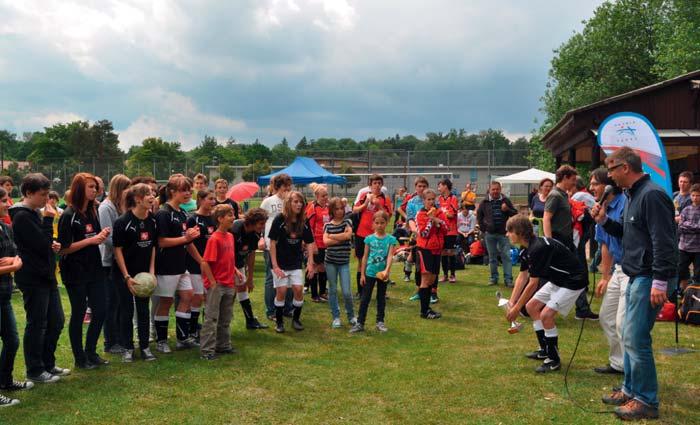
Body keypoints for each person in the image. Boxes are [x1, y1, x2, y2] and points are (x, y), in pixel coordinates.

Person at [593, 147, 677, 421]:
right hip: (636, 273)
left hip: (649, 275)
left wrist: (660, 281)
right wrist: (604, 220)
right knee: (628, 334)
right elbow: (628, 233)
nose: (609, 176)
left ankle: (646, 400)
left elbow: (664, 241)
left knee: (636, 337)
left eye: (612, 169)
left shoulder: (651, 195)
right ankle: (630, 390)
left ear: (626, 168)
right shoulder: (633, 195)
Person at [505, 215, 587, 373]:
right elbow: (522, 276)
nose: (507, 234)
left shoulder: (538, 248)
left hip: (573, 280)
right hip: (559, 280)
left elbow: (532, 283)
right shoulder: (527, 249)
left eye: (510, 231)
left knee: (546, 315)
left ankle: (553, 360)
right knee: (531, 307)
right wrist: (512, 302)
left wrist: (516, 309)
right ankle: (544, 350)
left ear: (520, 232)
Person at [10, 173, 68, 383]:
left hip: (46, 274)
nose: (47, 199)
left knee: (56, 320)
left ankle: (48, 363)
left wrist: (53, 243)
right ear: (28, 193)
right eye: (43, 195)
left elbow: (43, 242)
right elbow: (39, 244)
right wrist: (49, 220)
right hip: (33, 277)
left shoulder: (33, 213)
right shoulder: (21, 216)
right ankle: (35, 369)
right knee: (38, 323)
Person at [57, 173, 111, 369]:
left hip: (94, 268)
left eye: (95, 187)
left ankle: (91, 352)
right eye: (90, 187)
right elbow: (63, 248)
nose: (95, 190)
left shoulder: (92, 212)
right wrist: (91, 240)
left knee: (101, 309)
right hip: (75, 270)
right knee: (79, 313)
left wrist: (101, 235)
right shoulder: (68, 216)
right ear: (80, 189)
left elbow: (93, 236)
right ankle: (80, 359)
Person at [153, 174, 201, 353]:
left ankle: (182, 338)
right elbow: (162, 242)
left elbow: (186, 242)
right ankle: (161, 341)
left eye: (189, 189)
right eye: (184, 190)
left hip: (181, 265)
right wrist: (185, 238)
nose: (188, 193)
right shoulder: (163, 213)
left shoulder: (182, 213)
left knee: (188, 295)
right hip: (167, 265)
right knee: (166, 302)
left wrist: (191, 239)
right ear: (172, 192)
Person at [544, 165, 597, 320]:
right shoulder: (555, 195)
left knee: (573, 274)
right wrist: (550, 242)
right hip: (558, 240)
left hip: (566, 241)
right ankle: (531, 306)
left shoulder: (563, 195)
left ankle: (581, 308)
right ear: (565, 178)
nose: (574, 184)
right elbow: (547, 218)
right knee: (566, 275)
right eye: (572, 180)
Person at [112, 183, 158, 362]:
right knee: (126, 310)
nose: (152, 196)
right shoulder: (122, 222)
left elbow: (153, 246)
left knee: (143, 310)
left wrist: (152, 273)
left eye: (152, 193)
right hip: (124, 275)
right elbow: (117, 250)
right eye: (147, 194)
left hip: (144, 274)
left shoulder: (152, 220)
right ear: (138, 199)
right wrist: (126, 277)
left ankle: (145, 347)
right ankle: (127, 348)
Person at [589, 168, 627, 376]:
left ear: (608, 186)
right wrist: (605, 276)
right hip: (617, 269)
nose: (591, 188)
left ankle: (628, 368)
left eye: (595, 183)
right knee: (606, 316)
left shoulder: (624, 204)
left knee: (622, 322)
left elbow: (621, 233)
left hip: (632, 270)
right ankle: (617, 363)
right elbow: (604, 244)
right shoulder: (600, 207)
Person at [0, 187, 31, 407]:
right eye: (3, 200)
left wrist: (12, 262)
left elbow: (14, 254)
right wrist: (13, 265)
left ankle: (5, 381)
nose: (9, 203)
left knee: (12, 340)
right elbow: (13, 262)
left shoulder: (4, 227)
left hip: (4, 294)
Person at [199, 204, 242, 360]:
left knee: (226, 317)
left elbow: (228, 259)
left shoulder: (230, 236)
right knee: (211, 318)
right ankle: (207, 351)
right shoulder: (214, 239)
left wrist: (235, 271)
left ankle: (223, 345)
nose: (233, 218)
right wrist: (212, 282)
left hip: (229, 283)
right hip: (217, 285)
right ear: (220, 219)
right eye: (230, 215)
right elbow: (205, 262)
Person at [268, 191, 316, 333]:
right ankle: (279, 322)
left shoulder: (303, 221)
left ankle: (296, 319)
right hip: (280, 263)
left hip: (295, 262)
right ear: (288, 203)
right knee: (281, 291)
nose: (299, 204)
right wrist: (275, 266)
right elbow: (272, 243)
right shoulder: (279, 219)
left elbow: (309, 243)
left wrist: (310, 263)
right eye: (295, 201)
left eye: (300, 202)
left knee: (298, 289)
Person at [98, 174, 131, 355]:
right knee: (111, 303)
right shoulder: (106, 208)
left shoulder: (121, 206)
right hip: (108, 261)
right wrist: (126, 246)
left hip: (120, 261)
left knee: (120, 302)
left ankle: (120, 338)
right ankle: (110, 341)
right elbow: (107, 238)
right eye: (127, 188)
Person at [350, 210, 397, 333]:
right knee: (365, 298)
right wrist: (362, 274)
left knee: (381, 298)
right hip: (370, 273)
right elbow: (365, 257)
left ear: (386, 223)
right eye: (377, 222)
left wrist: (387, 270)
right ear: (373, 223)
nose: (380, 225)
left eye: (382, 222)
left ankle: (380, 322)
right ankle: (360, 323)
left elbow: (390, 256)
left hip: (383, 274)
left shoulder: (391, 239)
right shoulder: (368, 239)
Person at [260, 174, 294, 321]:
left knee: (290, 276)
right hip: (270, 244)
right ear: (277, 187)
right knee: (270, 277)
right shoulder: (268, 202)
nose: (287, 189)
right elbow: (259, 222)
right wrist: (261, 238)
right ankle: (271, 310)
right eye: (284, 186)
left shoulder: (292, 202)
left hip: (288, 245)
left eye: (289, 186)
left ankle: (287, 308)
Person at [229, 208, 269, 330]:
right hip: (226, 264)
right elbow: (227, 253)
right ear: (252, 221)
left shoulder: (256, 233)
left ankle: (250, 321)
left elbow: (251, 255)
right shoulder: (235, 229)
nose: (263, 227)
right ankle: (220, 323)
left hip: (238, 264)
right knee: (228, 293)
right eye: (261, 224)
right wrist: (234, 270)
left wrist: (250, 278)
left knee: (242, 289)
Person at [353, 174, 392, 297]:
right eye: (374, 183)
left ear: (382, 185)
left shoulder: (385, 199)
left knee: (380, 261)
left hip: (378, 235)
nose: (377, 185)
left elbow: (388, 216)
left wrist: (378, 205)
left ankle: (381, 291)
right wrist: (366, 203)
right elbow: (355, 210)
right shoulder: (365, 195)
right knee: (362, 262)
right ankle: (361, 291)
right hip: (362, 233)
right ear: (370, 185)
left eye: (379, 183)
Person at [185, 190, 217, 343]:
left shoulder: (214, 219)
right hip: (195, 264)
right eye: (210, 199)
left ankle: (206, 329)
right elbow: (189, 243)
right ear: (200, 199)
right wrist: (201, 261)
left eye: (214, 199)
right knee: (197, 297)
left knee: (208, 298)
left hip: (211, 265)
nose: (213, 202)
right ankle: (192, 331)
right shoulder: (193, 219)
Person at [323, 197, 356, 328]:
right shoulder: (327, 225)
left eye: (341, 208)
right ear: (332, 210)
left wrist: (332, 236)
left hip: (344, 263)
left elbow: (348, 236)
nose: (340, 211)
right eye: (336, 209)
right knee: (332, 290)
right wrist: (340, 237)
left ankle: (351, 315)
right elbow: (325, 242)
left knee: (347, 292)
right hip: (330, 262)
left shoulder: (347, 222)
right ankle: (336, 317)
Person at [477, 181, 517, 287]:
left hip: (503, 234)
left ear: (500, 189)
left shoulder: (505, 201)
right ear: (489, 190)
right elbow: (479, 217)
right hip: (489, 234)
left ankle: (508, 280)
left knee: (506, 257)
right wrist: (484, 229)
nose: (495, 191)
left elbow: (515, 214)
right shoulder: (484, 202)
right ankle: (493, 278)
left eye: (497, 189)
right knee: (492, 257)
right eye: (493, 189)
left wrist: (507, 209)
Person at [415, 189, 447, 319]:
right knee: (426, 279)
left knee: (433, 280)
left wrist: (438, 221)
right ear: (423, 201)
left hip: (437, 249)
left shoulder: (439, 212)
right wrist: (431, 220)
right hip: (425, 249)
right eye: (428, 199)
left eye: (433, 199)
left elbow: (446, 228)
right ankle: (424, 311)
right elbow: (423, 233)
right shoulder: (421, 214)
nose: (431, 201)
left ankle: (427, 307)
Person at [306, 183, 330, 302]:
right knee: (314, 267)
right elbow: (309, 227)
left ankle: (322, 292)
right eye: (323, 196)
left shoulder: (327, 207)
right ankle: (314, 295)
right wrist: (313, 243)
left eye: (326, 195)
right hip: (316, 243)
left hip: (326, 242)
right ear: (317, 196)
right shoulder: (313, 208)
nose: (325, 198)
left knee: (323, 267)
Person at [678, 183, 700, 290]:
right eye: (693, 195)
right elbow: (680, 226)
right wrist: (693, 227)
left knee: (698, 274)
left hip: (698, 248)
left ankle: (695, 297)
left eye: (698, 195)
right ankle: (684, 293)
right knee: (681, 270)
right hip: (684, 247)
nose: (695, 198)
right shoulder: (686, 209)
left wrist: (687, 224)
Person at [437, 178, 459, 284]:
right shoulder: (439, 199)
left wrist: (442, 214)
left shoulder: (453, 198)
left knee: (451, 252)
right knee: (443, 253)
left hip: (451, 230)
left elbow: (451, 215)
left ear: (445, 186)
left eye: (440, 186)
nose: (439, 188)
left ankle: (453, 275)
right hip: (442, 230)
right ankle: (445, 275)